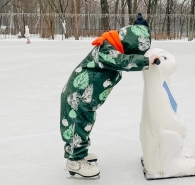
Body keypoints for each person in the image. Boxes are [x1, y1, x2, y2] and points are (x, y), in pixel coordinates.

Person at [60, 25, 159, 178]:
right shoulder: (106, 49)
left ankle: (81, 152)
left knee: (84, 124)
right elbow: (122, 61)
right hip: (78, 96)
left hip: (87, 99)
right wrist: (146, 60)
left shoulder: (112, 46)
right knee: (77, 125)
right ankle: (74, 160)